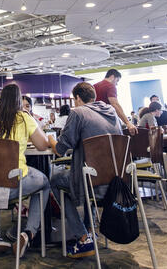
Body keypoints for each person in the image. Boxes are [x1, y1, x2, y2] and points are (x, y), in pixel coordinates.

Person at [49, 82, 122, 259]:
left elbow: (61, 148)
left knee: (54, 180)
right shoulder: (111, 111)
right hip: (115, 179)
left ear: (78, 98)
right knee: (86, 171)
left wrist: (51, 140)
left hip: (90, 179)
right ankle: (89, 229)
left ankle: (82, 236)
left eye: (75, 100)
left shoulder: (77, 112)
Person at [0, 84, 51, 257]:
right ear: (19, 100)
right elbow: (42, 145)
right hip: (13, 182)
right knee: (44, 184)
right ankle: (28, 233)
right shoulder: (23, 117)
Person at [93, 69, 137, 135]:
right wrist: (127, 122)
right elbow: (115, 104)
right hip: (107, 121)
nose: (117, 84)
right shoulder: (110, 86)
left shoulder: (94, 86)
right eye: (117, 80)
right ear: (112, 77)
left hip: (95, 121)